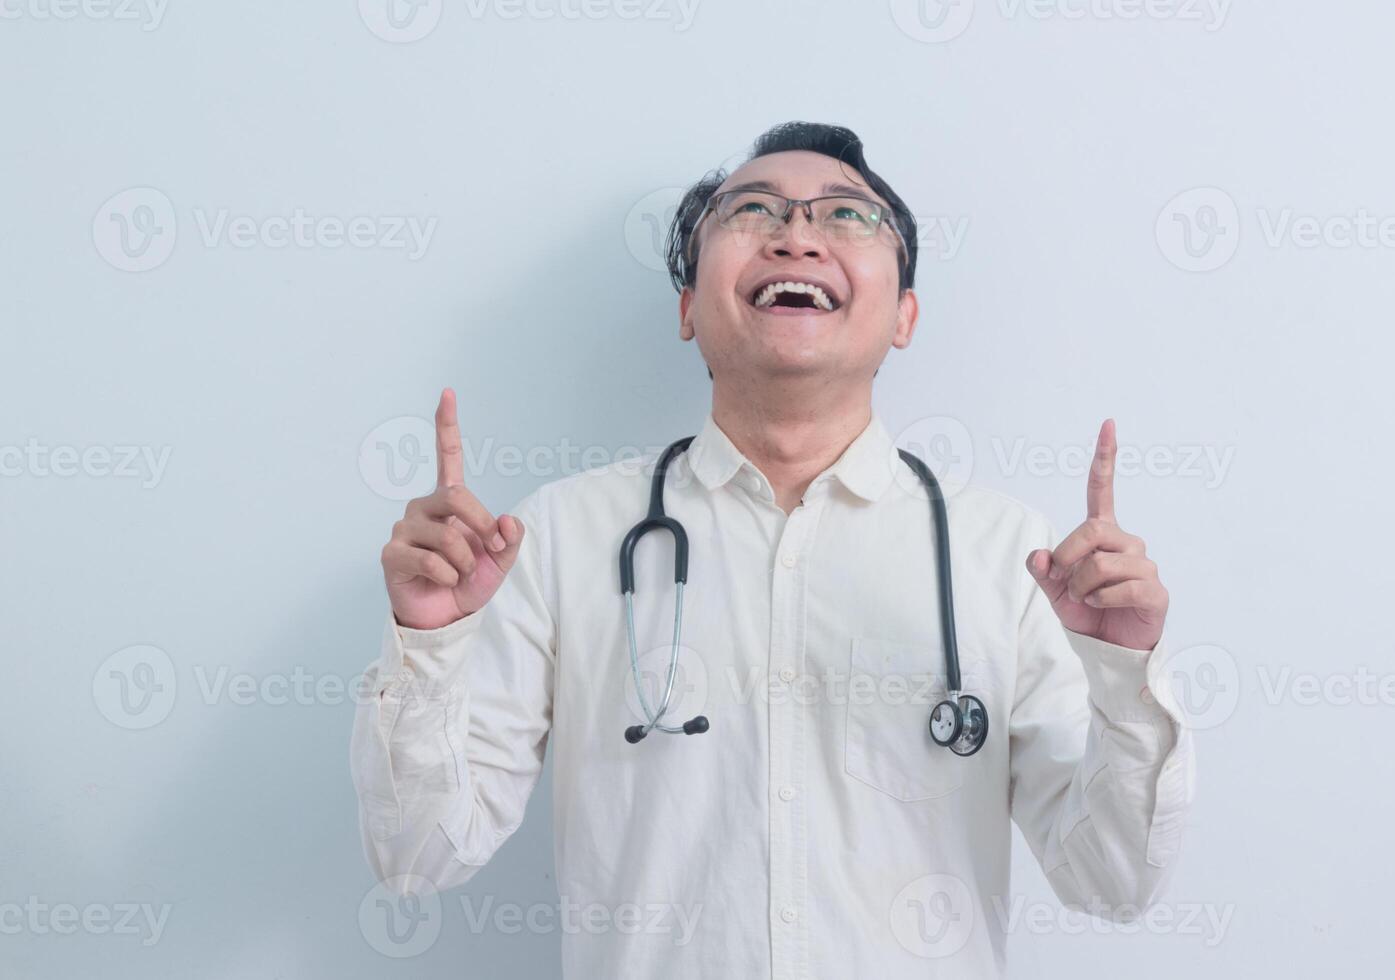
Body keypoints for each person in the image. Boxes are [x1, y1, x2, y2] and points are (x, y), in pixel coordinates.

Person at [350, 121, 1194, 977]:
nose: (796, 234)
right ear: (688, 307)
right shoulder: (559, 537)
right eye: (751, 211)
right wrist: (428, 646)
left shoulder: (1009, 556)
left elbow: (1113, 879)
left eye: (846, 217)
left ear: (903, 314)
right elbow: (418, 854)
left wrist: (1124, 674)